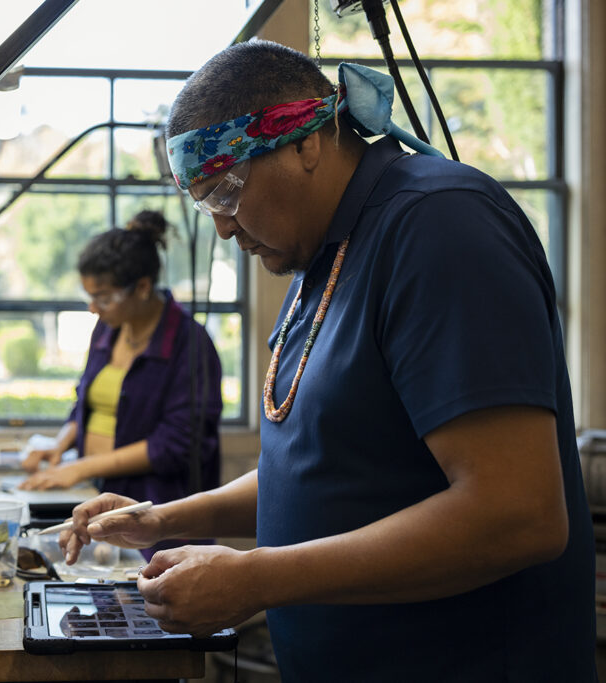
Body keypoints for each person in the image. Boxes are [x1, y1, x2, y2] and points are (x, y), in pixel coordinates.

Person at [59, 40, 596, 681]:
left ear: (304, 143)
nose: (224, 229)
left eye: (227, 190)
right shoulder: (325, 255)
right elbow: (323, 467)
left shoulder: (437, 226)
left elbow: (519, 514)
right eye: (208, 207)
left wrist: (256, 576)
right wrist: (163, 520)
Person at [19, 210, 223, 559]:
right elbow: (88, 400)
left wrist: (80, 467)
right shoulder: (107, 329)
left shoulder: (190, 344)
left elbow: (174, 443)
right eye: (89, 296)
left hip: (157, 512)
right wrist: (60, 445)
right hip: (98, 494)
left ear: (142, 287)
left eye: (103, 297)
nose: (93, 308)